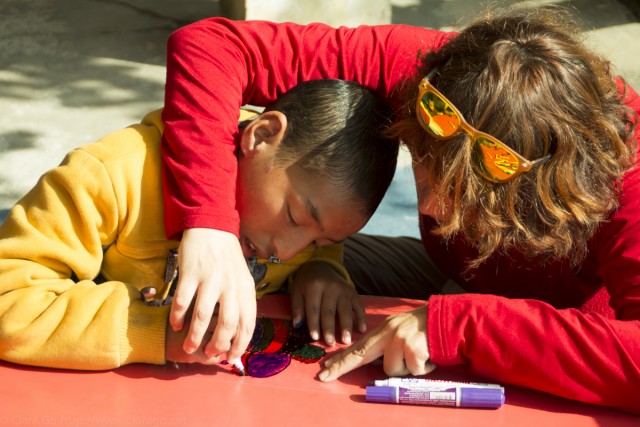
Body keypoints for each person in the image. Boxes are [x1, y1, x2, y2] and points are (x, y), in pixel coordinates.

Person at [159, 5, 640, 413]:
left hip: (565, 332)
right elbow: (212, 45)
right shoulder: (438, 73)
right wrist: (210, 222)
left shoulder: (625, 172)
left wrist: (458, 326)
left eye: (461, 197)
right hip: (447, 283)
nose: (429, 208)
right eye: (424, 168)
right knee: (214, 268)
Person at [0, 79, 398, 370]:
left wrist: (321, 267)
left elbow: (319, 236)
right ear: (261, 136)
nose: (289, 251)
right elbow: (9, 300)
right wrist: (153, 331)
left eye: (320, 239)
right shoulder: (110, 177)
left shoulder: (304, 226)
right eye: (294, 216)